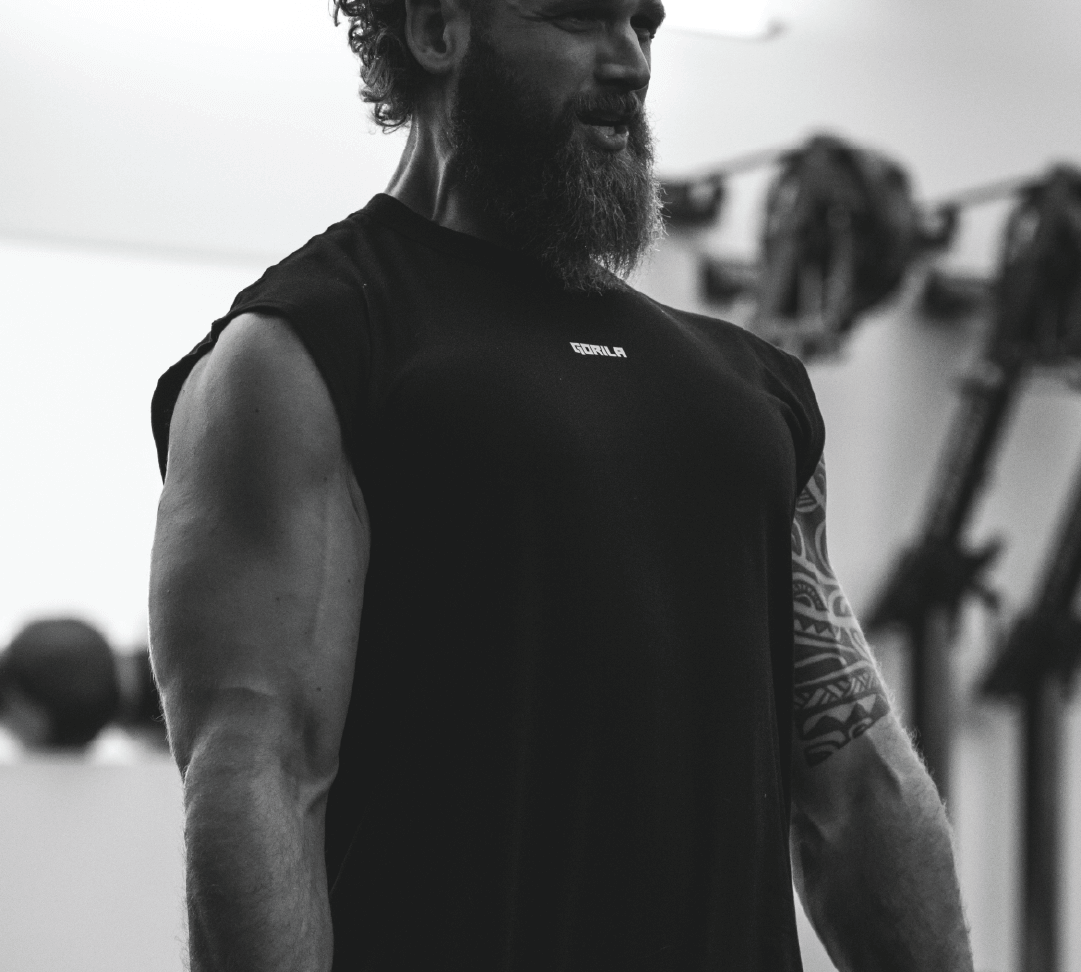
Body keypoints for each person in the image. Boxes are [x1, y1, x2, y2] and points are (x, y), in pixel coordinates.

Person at [148, 0, 975, 969]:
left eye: (645, 24)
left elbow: (854, 792)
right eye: (581, 19)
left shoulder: (747, 395)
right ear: (436, 31)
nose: (629, 61)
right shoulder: (315, 351)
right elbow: (260, 777)